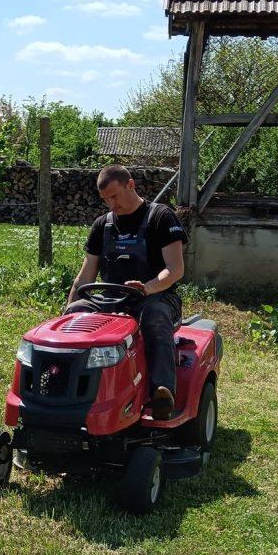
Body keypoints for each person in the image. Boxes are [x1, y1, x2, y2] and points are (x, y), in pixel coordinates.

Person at [64, 164, 187, 420]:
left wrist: (147, 288)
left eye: (114, 196)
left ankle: (162, 391)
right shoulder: (102, 225)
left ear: (131, 185)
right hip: (110, 299)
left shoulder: (161, 217)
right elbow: (85, 276)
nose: (111, 204)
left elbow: (175, 269)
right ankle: (68, 385)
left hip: (157, 296)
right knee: (77, 312)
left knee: (154, 315)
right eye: (105, 199)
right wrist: (65, 316)